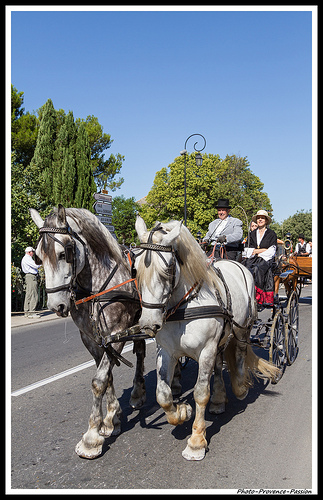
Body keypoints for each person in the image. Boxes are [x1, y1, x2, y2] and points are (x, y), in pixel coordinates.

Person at [242, 210, 277, 307]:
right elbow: (247, 250)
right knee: (245, 268)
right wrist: (260, 250)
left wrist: (256, 251)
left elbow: (271, 250)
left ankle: (258, 297)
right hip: (252, 258)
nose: (260, 219)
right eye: (258, 218)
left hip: (266, 260)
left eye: (262, 218)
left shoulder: (271, 234)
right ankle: (244, 293)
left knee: (257, 268)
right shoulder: (251, 234)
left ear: (266, 220)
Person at [21, 246, 41, 318]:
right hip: (31, 277)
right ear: (29, 252)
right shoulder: (28, 258)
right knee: (34, 294)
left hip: (29, 277)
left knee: (29, 294)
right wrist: (41, 262)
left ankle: (26, 312)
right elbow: (36, 265)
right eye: (32, 252)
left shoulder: (25, 258)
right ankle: (32, 312)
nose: (33, 253)